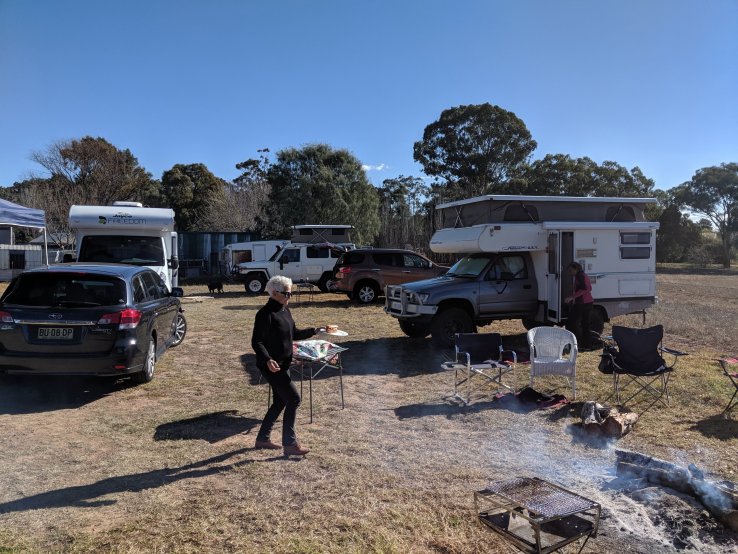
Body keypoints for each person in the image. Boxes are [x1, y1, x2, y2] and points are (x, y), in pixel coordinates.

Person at [251, 275, 326, 456]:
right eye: (287, 294)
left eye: (290, 293)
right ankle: (290, 444)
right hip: (272, 366)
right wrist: (268, 359)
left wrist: (315, 331)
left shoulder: (285, 311)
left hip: (283, 364)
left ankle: (262, 439)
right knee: (293, 399)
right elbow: (257, 342)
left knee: (280, 401)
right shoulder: (265, 314)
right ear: (274, 293)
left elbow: (294, 333)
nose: (289, 297)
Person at [564, 262, 594, 350]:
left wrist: (572, 297)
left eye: (570, 271)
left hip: (583, 303)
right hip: (587, 302)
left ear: (576, 269)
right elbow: (590, 288)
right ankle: (586, 345)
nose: (569, 273)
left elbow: (585, 289)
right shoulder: (582, 275)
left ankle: (577, 343)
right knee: (585, 324)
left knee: (571, 323)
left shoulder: (580, 276)